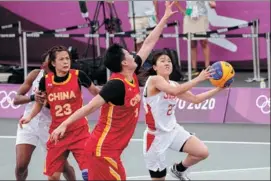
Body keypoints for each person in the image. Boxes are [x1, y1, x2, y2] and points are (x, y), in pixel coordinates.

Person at [49, 2, 178, 180]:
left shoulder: (131, 73)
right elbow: (89, 107)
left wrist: (164, 18)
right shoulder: (116, 85)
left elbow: (148, 43)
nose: (134, 54)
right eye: (129, 54)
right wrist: (64, 124)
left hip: (109, 151)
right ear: (124, 63)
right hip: (103, 151)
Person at [139, 50, 230, 180]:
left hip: (173, 130)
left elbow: (196, 99)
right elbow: (175, 91)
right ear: (154, 67)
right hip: (156, 137)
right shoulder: (154, 80)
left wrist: (219, 89)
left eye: (169, 61)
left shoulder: (173, 84)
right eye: (162, 61)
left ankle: (178, 170)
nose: (167, 63)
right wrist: (198, 78)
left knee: (202, 152)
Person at [19, 45, 100, 181]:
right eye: (61, 59)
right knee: (53, 177)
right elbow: (40, 102)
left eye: (67, 59)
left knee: (89, 173)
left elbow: (96, 92)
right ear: (53, 63)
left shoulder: (78, 75)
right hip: (58, 134)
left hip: (79, 132)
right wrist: (29, 117)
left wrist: (110, 96)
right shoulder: (46, 81)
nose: (66, 62)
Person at [13, 52, 75, 181]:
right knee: (21, 166)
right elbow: (16, 99)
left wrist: (48, 103)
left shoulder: (64, 79)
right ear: (44, 65)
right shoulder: (35, 74)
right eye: (50, 61)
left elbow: (66, 106)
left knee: (63, 167)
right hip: (29, 124)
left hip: (51, 127)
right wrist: (32, 97)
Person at [175, 1, 216, 76]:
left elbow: (212, 4)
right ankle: (194, 69)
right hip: (189, 13)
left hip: (202, 15)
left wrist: (212, 4)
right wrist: (182, 10)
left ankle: (207, 68)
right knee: (192, 44)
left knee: (204, 42)